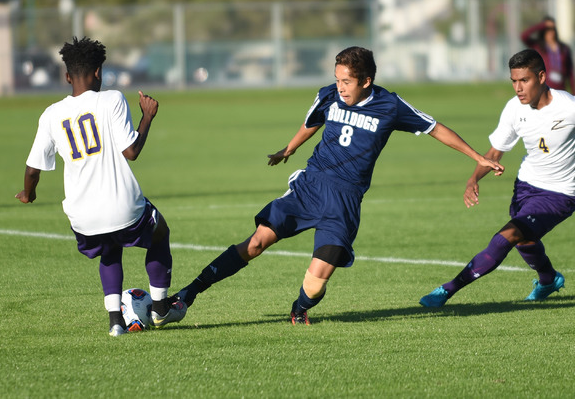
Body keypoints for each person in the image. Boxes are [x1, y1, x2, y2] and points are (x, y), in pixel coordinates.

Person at [174, 46, 504, 325]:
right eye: (337, 79)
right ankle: (187, 294)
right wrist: (288, 149)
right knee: (257, 242)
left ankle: (299, 309)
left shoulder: (390, 106)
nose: (341, 86)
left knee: (316, 284)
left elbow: (435, 128)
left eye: (347, 81)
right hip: (311, 186)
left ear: (367, 81)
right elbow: (311, 123)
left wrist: (477, 156)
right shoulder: (328, 96)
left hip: (344, 202)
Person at [419, 49, 575, 308]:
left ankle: (446, 291)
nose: (518, 88)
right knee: (525, 238)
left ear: (541, 77)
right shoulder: (514, 108)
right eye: (514, 81)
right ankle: (548, 280)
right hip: (525, 187)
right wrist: (474, 179)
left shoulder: (573, 107)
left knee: (508, 235)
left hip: (560, 195)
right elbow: (495, 152)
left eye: (524, 80)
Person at [16, 36, 187, 336]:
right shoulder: (112, 99)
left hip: (82, 217)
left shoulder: (51, 114)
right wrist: (147, 118)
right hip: (123, 208)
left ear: (67, 76)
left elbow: (32, 169)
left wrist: (28, 194)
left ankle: (115, 322)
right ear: (98, 73)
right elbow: (131, 152)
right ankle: (160, 309)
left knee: (109, 249)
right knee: (160, 233)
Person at [521, 15, 575, 95]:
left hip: (561, 90)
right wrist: (543, 25)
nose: (550, 32)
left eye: (552, 29)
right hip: (543, 90)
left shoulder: (564, 48)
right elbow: (524, 36)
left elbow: (570, 73)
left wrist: (574, 93)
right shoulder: (539, 47)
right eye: (547, 30)